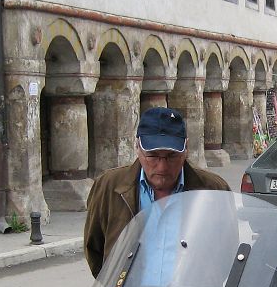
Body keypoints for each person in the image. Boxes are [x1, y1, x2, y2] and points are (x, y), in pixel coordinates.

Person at [83, 106, 230, 277]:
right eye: (152, 156)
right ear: (137, 147)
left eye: (171, 156)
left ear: (186, 149)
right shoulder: (109, 186)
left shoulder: (213, 190)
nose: (162, 166)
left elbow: (227, 251)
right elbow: (95, 249)